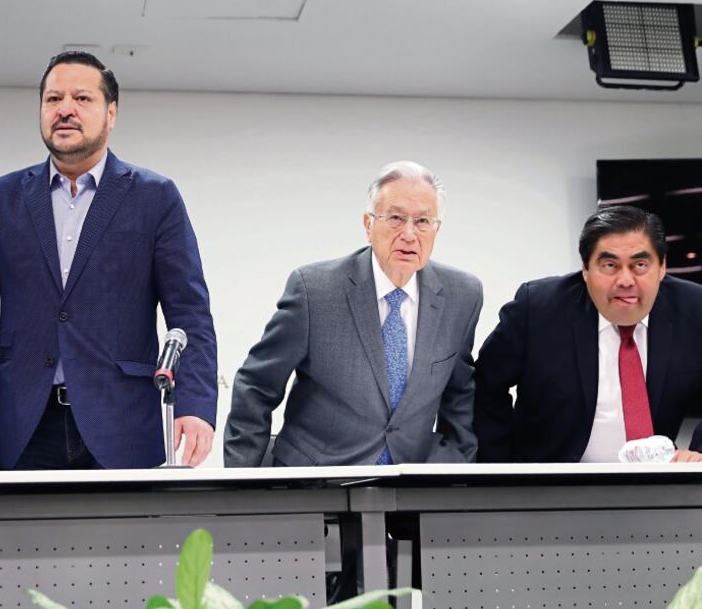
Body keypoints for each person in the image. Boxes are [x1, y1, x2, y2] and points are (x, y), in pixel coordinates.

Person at [0, 51, 217, 470]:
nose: (65, 109)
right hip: (25, 426)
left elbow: (190, 313)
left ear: (111, 113)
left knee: (129, 539)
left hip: (123, 424)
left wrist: (195, 405)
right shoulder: (1, 198)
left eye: (82, 99)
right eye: (53, 99)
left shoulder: (155, 197)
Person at [223, 161, 483, 466]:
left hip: (411, 486)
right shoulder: (314, 291)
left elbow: (460, 393)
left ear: (436, 228)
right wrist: (246, 486)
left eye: (423, 221)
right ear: (368, 224)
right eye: (396, 218)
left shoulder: (462, 295)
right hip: (317, 482)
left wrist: (454, 464)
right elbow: (256, 385)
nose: (410, 234)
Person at [474, 205, 702, 463]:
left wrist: (697, 456)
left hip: (654, 483)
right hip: (551, 480)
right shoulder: (538, 308)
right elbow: (485, 386)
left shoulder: (694, 309)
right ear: (585, 269)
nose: (625, 280)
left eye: (640, 264)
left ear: (662, 267)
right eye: (609, 265)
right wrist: (500, 470)